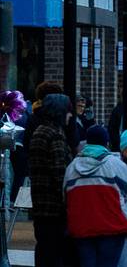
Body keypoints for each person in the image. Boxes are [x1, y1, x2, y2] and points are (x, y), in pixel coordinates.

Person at [65, 125, 127, 267]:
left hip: (81, 229)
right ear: (106, 143)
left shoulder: (71, 167)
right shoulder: (114, 164)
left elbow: (65, 198)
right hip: (111, 228)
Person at [28, 93, 73, 267]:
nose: (70, 115)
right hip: (54, 208)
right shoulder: (55, 135)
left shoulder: (39, 131)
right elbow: (59, 173)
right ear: (59, 112)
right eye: (68, 111)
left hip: (40, 205)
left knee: (44, 250)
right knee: (54, 253)